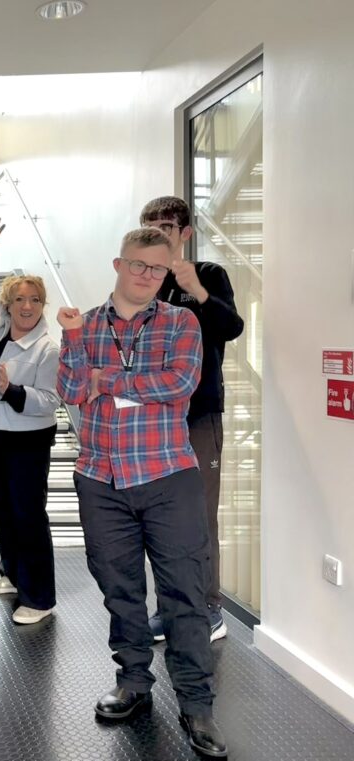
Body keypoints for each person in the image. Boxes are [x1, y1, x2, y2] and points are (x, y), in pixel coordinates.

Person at [56, 227, 227, 760]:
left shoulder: (182, 322)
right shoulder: (83, 324)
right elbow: (68, 389)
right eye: (139, 266)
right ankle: (133, 682)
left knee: (184, 591)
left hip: (167, 474)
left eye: (158, 269)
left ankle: (197, 705)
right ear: (118, 263)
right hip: (101, 477)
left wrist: (106, 379)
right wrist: (74, 345)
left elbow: (179, 383)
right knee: (120, 588)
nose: (148, 276)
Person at [140, 196, 244, 644]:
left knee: (199, 515)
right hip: (153, 421)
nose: (158, 232)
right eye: (150, 225)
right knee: (161, 518)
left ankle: (208, 608)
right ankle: (169, 608)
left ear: (184, 232)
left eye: (166, 225)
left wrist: (197, 291)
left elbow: (232, 327)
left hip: (198, 416)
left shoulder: (208, 275)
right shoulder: (143, 281)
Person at [0, 219, 60, 625]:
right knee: (1, 510)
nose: (26, 306)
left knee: (28, 515)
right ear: (7, 303)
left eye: (34, 300)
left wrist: (12, 390)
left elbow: (52, 399)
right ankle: (13, 573)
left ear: (41, 305)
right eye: (19, 299)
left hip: (27, 442)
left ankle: (39, 596)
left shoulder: (48, 348)